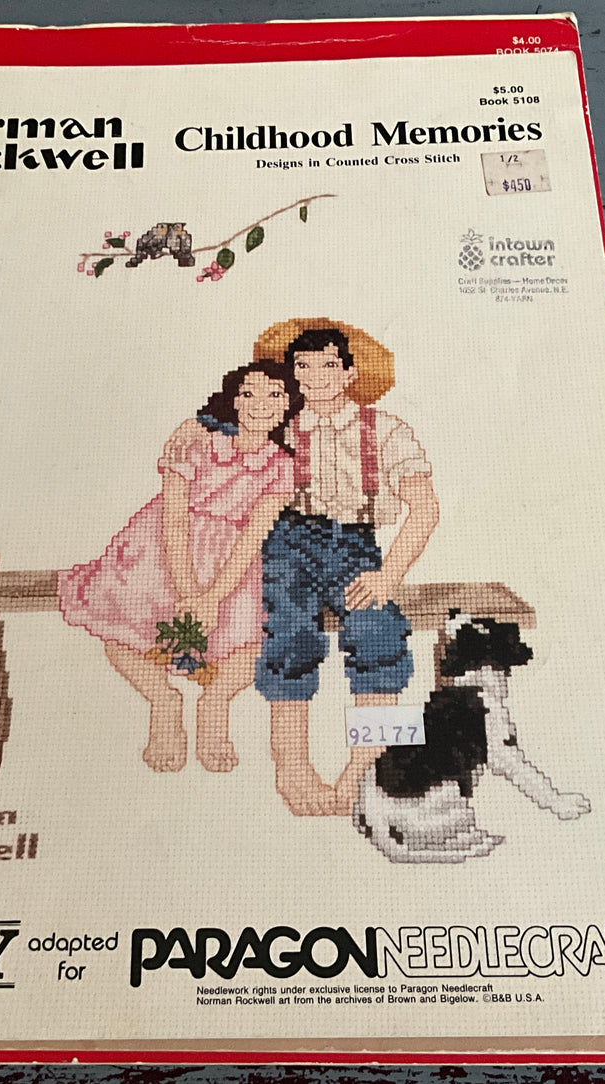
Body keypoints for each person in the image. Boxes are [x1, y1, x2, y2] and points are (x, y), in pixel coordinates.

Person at [169, 320, 439, 816]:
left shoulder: (385, 429)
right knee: (290, 639)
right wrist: (195, 424)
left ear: (350, 372)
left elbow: (425, 508)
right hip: (288, 543)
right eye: (303, 367)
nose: (315, 377)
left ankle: (369, 766)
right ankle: (293, 768)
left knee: (379, 635)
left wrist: (389, 574)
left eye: (328, 365)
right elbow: (225, 418)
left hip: (357, 547)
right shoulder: (279, 423)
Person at [58, 360, 300, 773]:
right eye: (249, 393)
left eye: (275, 395)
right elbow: (173, 516)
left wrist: (213, 598)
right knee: (121, 629)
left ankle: (215, 701)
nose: (261, 404)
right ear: (233, 401)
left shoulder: (280, 464)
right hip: (165, 550)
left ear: (287, 406)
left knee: (257, 642)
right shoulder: (196, 444)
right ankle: (162, 700)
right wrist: (188, 593)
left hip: (232, 565)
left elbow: (254, 534)